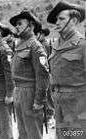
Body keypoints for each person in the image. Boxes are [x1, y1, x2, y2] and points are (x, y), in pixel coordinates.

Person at [47, 1, 86, 139]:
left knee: (77, 136)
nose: (57, 22)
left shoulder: (82, 45)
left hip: (77, 105)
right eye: (57, 19)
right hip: (59, 102)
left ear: (74, 20)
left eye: (61, 18)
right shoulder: (55, 44)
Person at [9, 11, 50, 139]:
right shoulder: (19, 46)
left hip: (30, 92)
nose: (17, 27)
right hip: (18, 91)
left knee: (33, 132)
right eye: (16, 24)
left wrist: (39, 100)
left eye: (20, 24)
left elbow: (42, 76)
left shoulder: (36, 47)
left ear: (31, 26)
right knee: (22, 131)